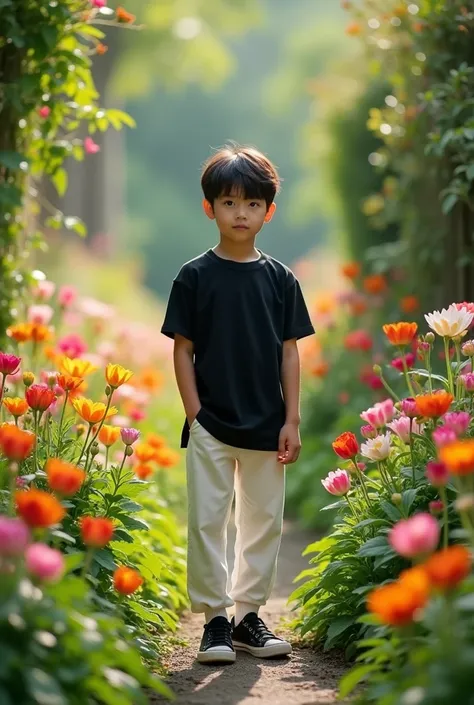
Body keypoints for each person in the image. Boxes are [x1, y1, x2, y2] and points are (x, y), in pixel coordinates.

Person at [161, 144, 315, 664]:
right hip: (210, 423)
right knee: (207, 521)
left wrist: (292, 418)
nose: (240, 213)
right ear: (210, 208)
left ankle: (250, 616)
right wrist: (195, 413)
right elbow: (183, 349)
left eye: (252, 204)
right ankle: (215, 622)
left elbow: (289, 352)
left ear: (269, 211)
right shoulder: (194, 276)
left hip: (268, 424)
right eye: (229, 203)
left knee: (263, 519)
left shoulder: (280, 280)